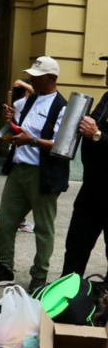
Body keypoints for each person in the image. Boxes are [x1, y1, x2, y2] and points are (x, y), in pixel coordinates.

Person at [0, 56, 69, 293]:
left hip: (44, 174)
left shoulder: (62, 107)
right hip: (19, 170)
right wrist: (13, 123)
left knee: (43, 228)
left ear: (51, 78)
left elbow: (62, 146)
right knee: (6, 221)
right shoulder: (31, 100)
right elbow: (22, 125)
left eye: (36, 77)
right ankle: (4, 269)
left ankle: (39, 277)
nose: (31, 79)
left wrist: (33, 140)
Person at [61, 58, 108, 278]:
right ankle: (66, 299)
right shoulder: (106, 97)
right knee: (76, 245)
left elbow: (97, 133)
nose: (107, 70)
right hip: (92, 186)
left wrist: (96, 134)